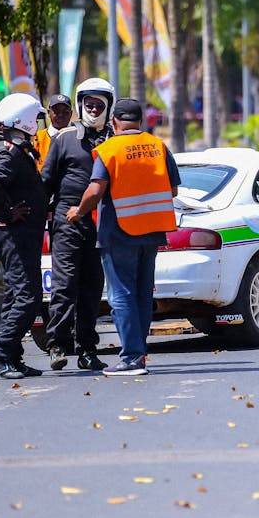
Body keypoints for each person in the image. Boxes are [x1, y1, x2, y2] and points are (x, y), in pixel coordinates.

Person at [66, 98, 179, 376]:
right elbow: (173, 189)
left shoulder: (109, 149)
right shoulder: (158, 146)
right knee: (142, 293)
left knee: (121, 296)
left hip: (119, 233)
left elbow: (95, 190)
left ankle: (131, 357)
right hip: (152, 231)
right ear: (140, 121)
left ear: (114, 121)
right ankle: (139, 352)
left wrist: (78, 212)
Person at [40, 78, 115, 372]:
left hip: (101, 223)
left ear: (108, 107)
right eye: (88, 104)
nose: (93, 109)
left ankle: (86, 348)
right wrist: (40, 216)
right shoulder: (64, 139)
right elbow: (46, 181)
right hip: (67, 220)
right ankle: (57, 344)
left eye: (99, 105)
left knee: (92, 287)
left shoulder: (115, 141)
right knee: (64, 285)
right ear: (80, 105)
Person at [0, 93, 49, 379]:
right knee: (27, 297)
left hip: (23, 236)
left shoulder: (18, 148)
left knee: (15, 296)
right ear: (25, 120)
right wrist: (8, 214)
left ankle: (13, 357)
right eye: (36, 119)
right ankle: (2, 355)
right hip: (15, 237)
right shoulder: (10, 152)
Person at [33, 94, 73, 172]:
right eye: (56, 111)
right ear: (48, 113)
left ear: (71, 114)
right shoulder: (38, 137)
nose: (61, 115)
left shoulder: (77, 137)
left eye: (65, 112)